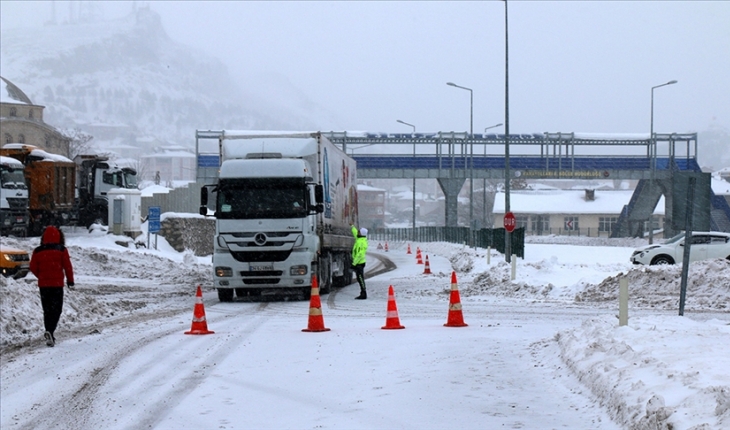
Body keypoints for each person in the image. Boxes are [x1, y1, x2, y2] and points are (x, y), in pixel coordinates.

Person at [29, 226, 74, 347]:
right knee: (57, 309)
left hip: (43, 285)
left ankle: (48, 330)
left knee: (47, 309)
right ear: (59, 236)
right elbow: (67, 266)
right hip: (57, 285)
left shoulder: (38, 251)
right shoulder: (61, 250)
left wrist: (41, 276)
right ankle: (50, 331)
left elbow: (32, 267)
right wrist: (70, 281)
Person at [351, 225, 368, 300]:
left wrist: (354, 263)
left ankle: (363, 293)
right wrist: (352, 226)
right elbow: (355, 233)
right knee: (359, 278)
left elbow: (360, 254)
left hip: (359, 263)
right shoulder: (359, 239)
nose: (357, 232)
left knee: (360, 278)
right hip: (358, 263)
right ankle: (363, 292)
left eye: (359, 231)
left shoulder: (362, 243)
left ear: (361, 233)